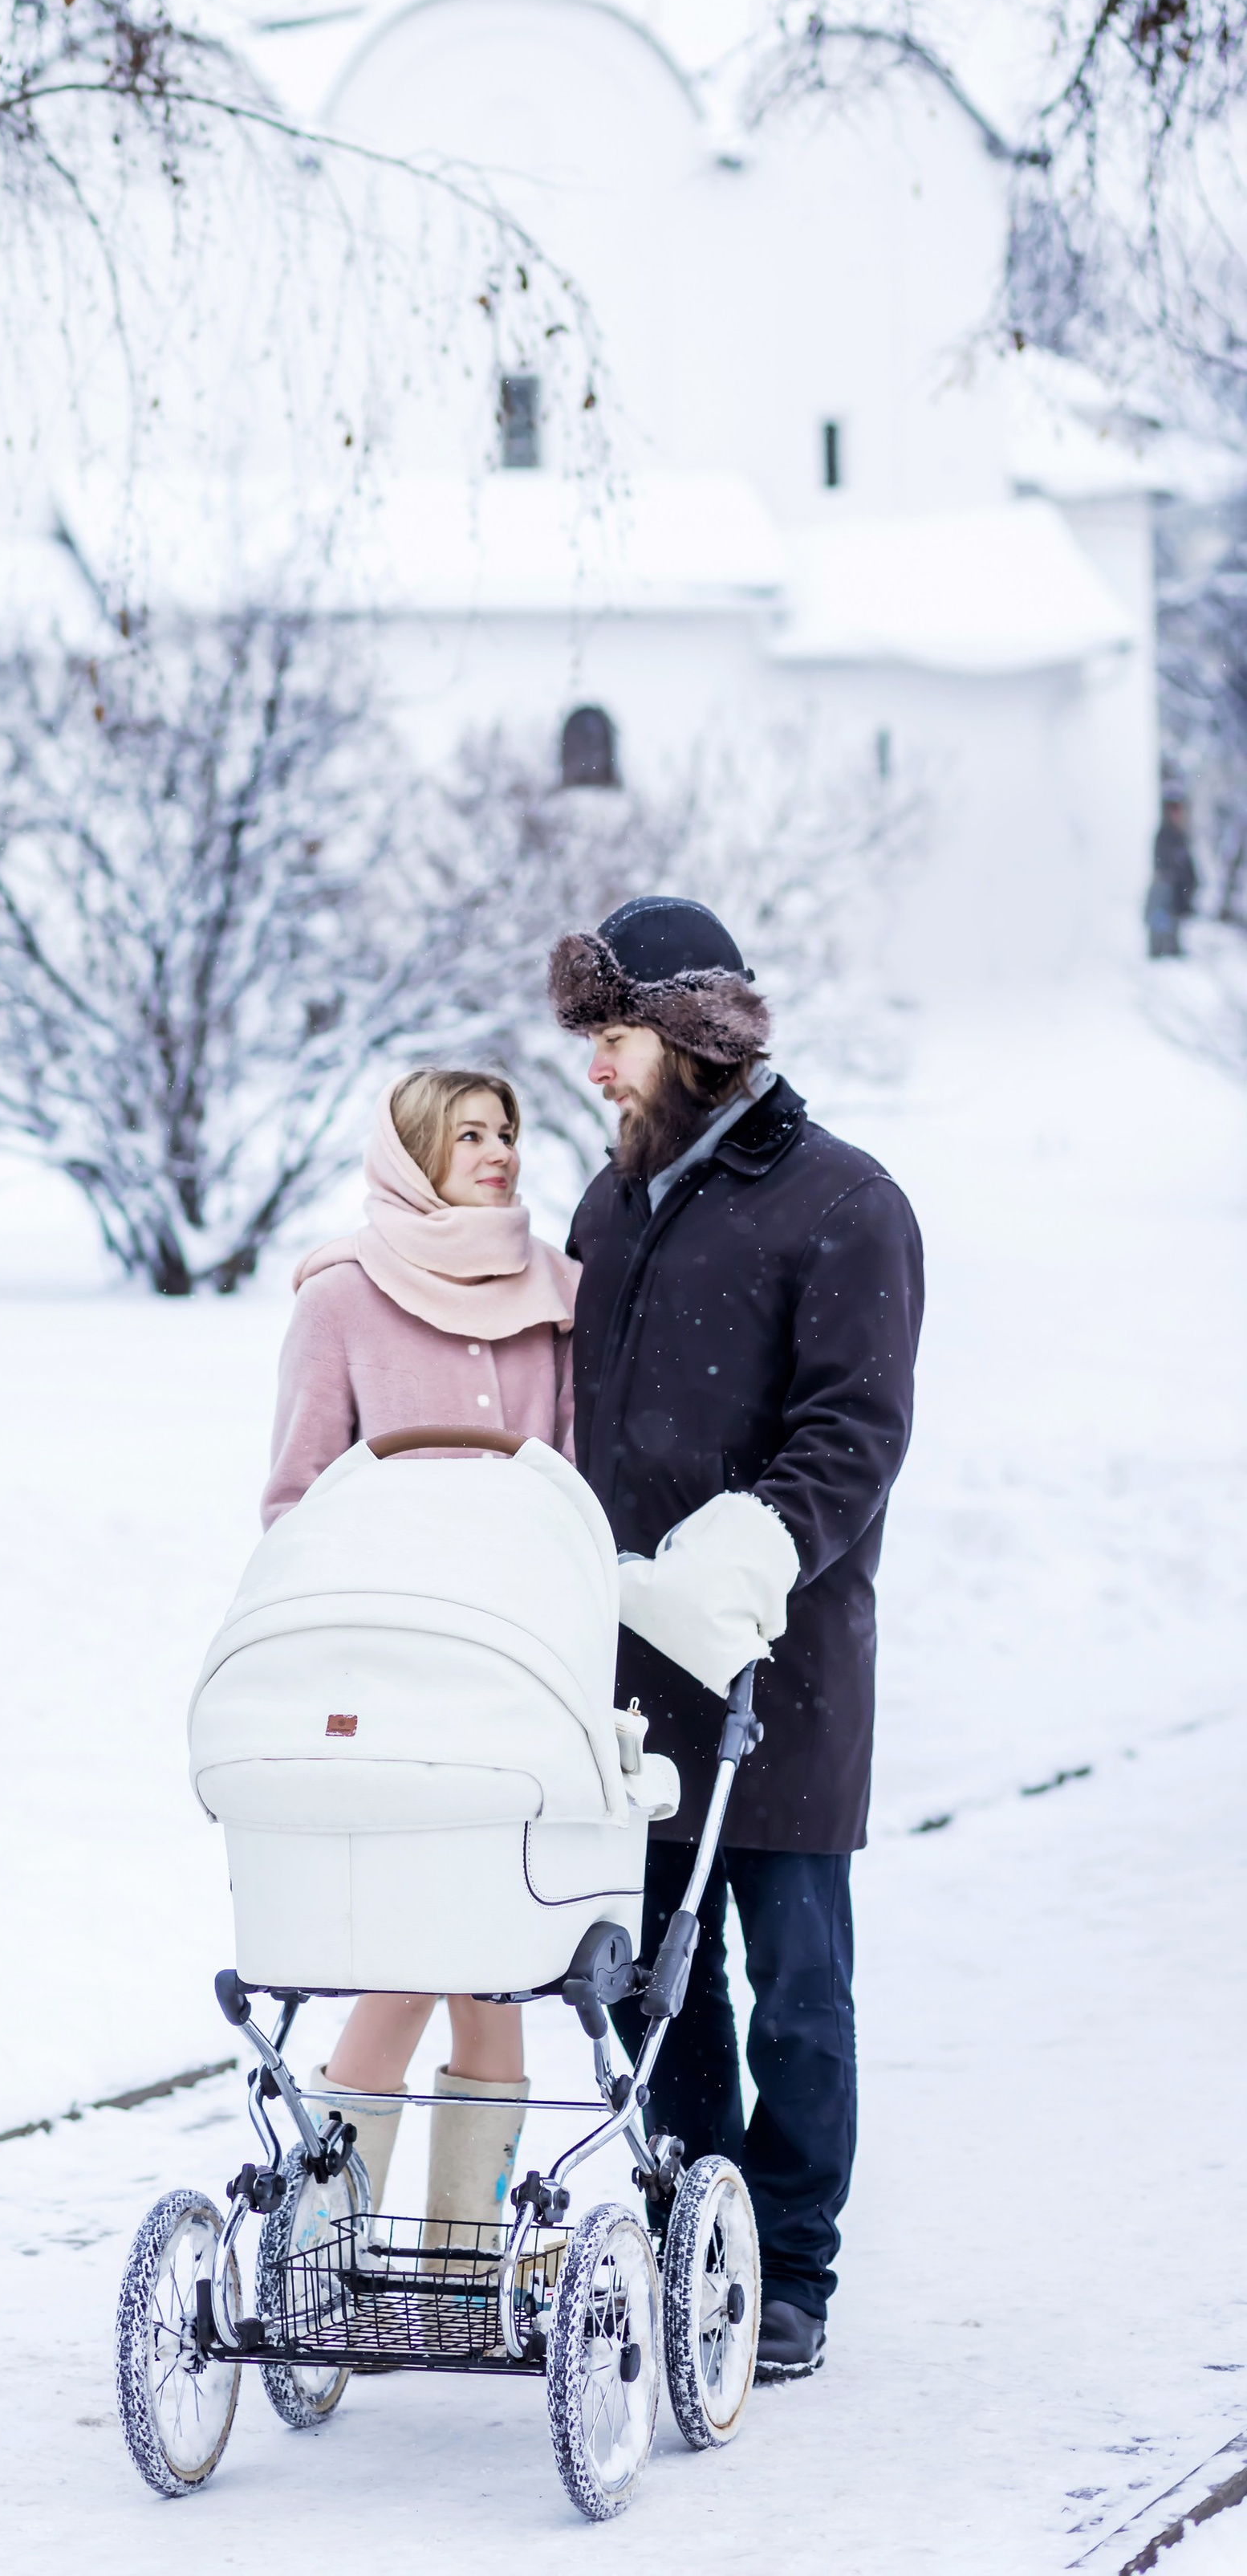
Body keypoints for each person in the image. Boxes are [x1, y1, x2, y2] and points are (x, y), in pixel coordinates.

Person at [547, 895, 924, 2383]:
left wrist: (751, 1547)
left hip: (783, 1665)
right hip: (628, 1672)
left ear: (695, 1043)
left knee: (799, 1981)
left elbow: (857, 1430)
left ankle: (793, 2265)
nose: (595, 1072)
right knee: (657, 1978)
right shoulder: (611, 1206)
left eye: (615, 1040)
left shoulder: (844, 1204)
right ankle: (691, 2217)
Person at [262, 1066, 578, 2240]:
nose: (497, 1152)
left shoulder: (556, 1294)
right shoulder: (340, 1296)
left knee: (496, 1971)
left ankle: (457, 2266)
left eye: (507, 1132)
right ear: (411, 1153)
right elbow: (295, 1497)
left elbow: (573, 1487)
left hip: (520, 1673)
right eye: (468, 1135)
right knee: (403, 1960)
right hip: (387, 1675)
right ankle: (317, 2257)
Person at [1147, 790, 1199, 957]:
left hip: (1178, 888)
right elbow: (1163, 862)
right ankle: (1159, 948)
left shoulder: (1180, 835)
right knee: (1162, 917)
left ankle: (1171, 947)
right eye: (1175, 811)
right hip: (1166, 886)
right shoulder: (1165, 835)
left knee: (1174, 919)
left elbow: (1186, 863)